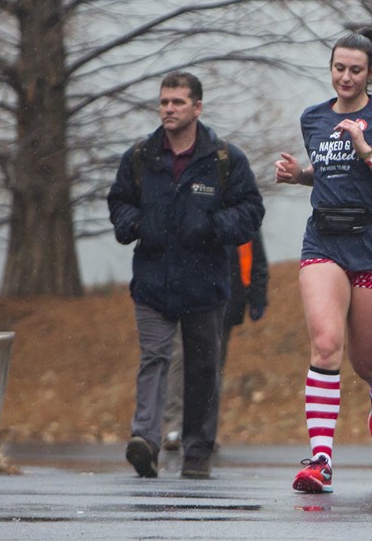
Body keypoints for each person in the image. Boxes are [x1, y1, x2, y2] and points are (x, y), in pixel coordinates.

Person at [274, 28, 372, 494]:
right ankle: (320, 460)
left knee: (364, 359)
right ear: (331, 69)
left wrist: (367, 151)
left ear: (370, 73)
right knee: (326, 345)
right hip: (323, 240)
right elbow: (330, 177)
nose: (345, 77)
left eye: (355, 70)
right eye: (338, 68)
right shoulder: (313, 119)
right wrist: (299, 176)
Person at [108, 71, 264, 479]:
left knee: (202, 369)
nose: (168, 109)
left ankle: (197, 452)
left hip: (205, 282)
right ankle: (146, 440)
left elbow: (250, 210)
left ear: (197, 107)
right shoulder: (141, 157)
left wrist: (213, 226)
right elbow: (120, 202)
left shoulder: (225, 160)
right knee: (155, 358)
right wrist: (138, 226)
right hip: (152, 280)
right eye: (163, 102)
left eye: (177, 102)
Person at [162, 233, 270, 451]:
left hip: (226, 299)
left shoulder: (240, 208)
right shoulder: (192, 203)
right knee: (179, 358)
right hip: (185, 294)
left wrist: (258, 297)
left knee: (211, 365)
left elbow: (256, 257)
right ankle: (174, 426)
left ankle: (203, 430)